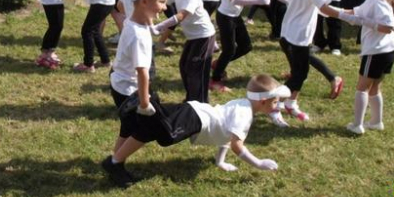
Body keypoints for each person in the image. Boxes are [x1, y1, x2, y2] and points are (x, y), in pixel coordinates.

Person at [101, 74, 283, 187]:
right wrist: (258, 163)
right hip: (197, 120)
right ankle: (146, 105)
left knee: (150, 130)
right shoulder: (245, 115)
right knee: (165, 136)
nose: (277, 106)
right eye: (275, 102)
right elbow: (236, 145)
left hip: (194, 111)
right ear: (263, 101)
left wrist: (220, 162)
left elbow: (226, 137)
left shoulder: (241, 103)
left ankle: (141, 114)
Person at [275, 0, 348, 125]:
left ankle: (291, 103)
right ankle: (273, 104)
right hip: (299, 34)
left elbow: (320, 5)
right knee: (300, 74)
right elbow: (324, 8)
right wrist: (348, 15)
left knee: (300, 72)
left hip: (290, 31)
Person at [341, 0, 394, 135]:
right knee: (374, 88)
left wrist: (364, 22)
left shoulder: (378, 2)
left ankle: (357, 125)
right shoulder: (374, 0)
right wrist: (333, 11)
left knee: (362, 87)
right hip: (386, 51)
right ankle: (376, 122)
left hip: (377, 52)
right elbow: (356, 12)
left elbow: (388, 26)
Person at [210, 0, 270, 93]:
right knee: (229, 50)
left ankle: (218, 64)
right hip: (226, 17)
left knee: (246, 46)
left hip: (235, 16)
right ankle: (215, 80)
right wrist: (257, 1)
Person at [109, 0, 169, 119]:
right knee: (140, 134)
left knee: (128, 132)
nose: (165, 7)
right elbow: (142, 72)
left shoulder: (130, 21)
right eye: (161, 2)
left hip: (118, 83)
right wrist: (144, 104)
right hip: (129, 90)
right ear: (143, 1)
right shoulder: (139, 36)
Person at [158, 0, 216, 103]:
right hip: (192, 37)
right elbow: (162, 1)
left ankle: (201, 103)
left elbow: (182, 15)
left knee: (196, 70)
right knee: (184, 66)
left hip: (204, 36)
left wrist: (160, 26)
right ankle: (192, 99)